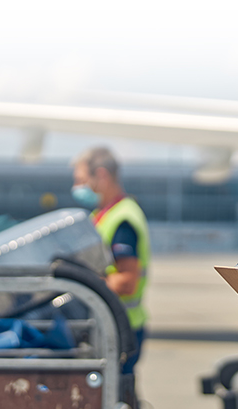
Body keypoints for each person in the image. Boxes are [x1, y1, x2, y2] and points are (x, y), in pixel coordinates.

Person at [71, 146, 150, 377]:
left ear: (102, 175)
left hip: (121, 327)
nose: (77, 188)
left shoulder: (123, 219)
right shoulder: (102, 214)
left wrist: (83, 283)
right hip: (110, 324)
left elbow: (127, 282)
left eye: (81, 180)